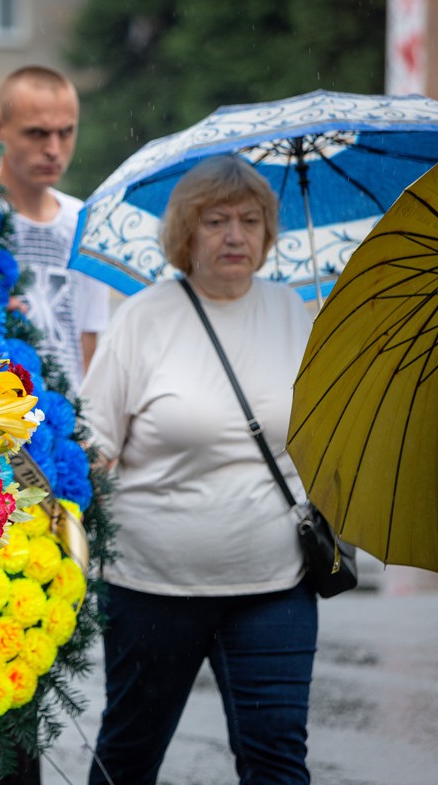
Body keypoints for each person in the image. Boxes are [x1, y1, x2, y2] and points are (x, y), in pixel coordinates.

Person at [80, 155, 317, 784]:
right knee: (130, 754)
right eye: (216, 221)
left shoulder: (296, 314)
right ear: (187, 233)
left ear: (268, 233)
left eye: (249, 220)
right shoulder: (144, 318)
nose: (235, 235)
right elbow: (94, 444)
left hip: (275, 582)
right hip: (152, 585)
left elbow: (324, 434)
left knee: (278, 760)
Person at [0, 65, 110, 391]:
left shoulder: (85, 222)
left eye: (66, 132)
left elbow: (87, 349)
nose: (54, 150)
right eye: (37, 133)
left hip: (63, 425)